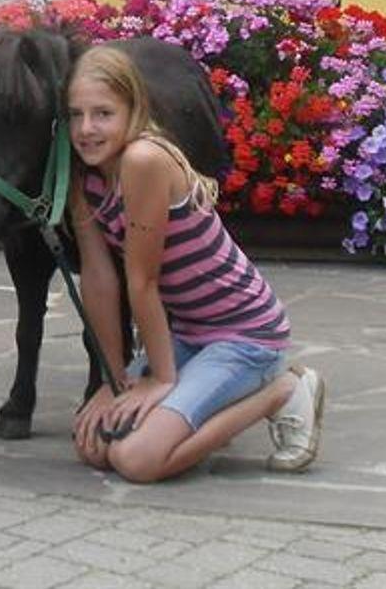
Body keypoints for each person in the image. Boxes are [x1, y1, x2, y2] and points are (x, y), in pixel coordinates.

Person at [65, 46, 323, 483]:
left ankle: (282, 391)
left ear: (134, 109)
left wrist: (161, 380)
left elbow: (142, 281)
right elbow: (98, 278)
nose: (86, 129)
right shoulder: (83, 176)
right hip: (189, 333)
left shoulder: (144, 159)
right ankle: (195, 411)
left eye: (103, 114)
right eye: (76, 115)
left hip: (246, 334)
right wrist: (112, 380)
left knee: (136, 460)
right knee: (95, 445)